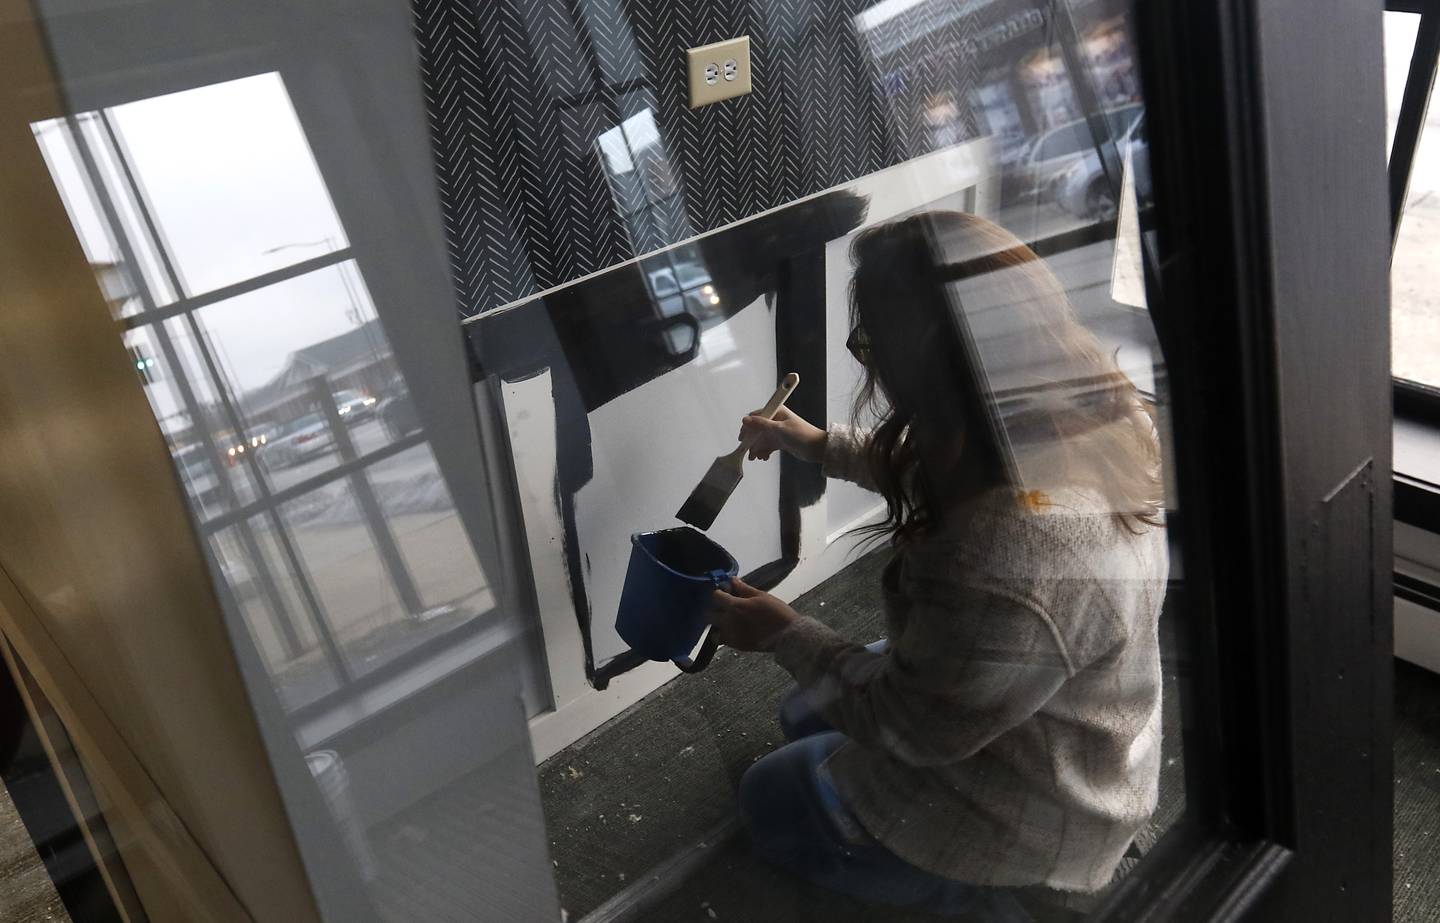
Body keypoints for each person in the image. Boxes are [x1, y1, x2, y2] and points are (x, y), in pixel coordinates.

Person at [708, 211, 1169, 918]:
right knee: (803, 711)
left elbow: (909, 727)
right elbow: (938, 467)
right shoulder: (1086, 414)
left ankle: (987, 892)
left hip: (1033, 815)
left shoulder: (1003, 558)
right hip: (1070, 725)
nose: (871, 361)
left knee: (769, 793)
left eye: (870, 344)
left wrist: (783, 632)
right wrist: (818, 442)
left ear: (924, 362)